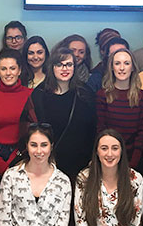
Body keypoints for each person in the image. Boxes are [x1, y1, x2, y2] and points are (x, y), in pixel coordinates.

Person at [28, 48, 96, 180]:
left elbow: (93, 129)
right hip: (46, 163)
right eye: (59, 65)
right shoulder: (39, 94)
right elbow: (29, 129)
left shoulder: (85, 93)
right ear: (52, 67)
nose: (64, 69)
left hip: (80, 163)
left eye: (69, 65)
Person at [0, 48, 35, 197]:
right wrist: (1, 166)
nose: (8, 73)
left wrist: (16, 159)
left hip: (22, 156)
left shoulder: (31, 95)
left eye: (12, 68)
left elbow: (35, 131)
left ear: (19, 70)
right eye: (3, 69)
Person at [96, 48, 143, 169]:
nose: (122, 68)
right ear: (111, 67)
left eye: (126, 63)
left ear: (133, 67)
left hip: (135, 160)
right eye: (117, 63)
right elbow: (101, 130)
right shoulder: (102, 95)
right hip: (108, 158)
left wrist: (132, 164)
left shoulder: (142, 96)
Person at [86, 29, 126, 93]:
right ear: (103, 52)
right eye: (113, 53)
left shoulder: (133, 73)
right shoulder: (96, 78)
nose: (117, 56)